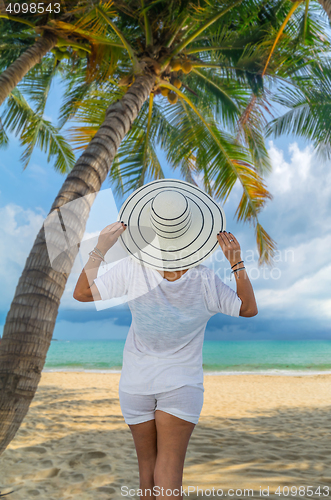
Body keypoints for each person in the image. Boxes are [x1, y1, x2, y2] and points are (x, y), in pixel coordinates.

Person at [73, 180, 258, 500]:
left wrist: (101, 248)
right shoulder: (203, 279)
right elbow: (248, 309)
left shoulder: (132, 269)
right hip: (182, 384)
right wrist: (236, 261)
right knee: (169, 473)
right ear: (192, 234)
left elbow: (82, 293)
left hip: (135, 383)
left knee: (147, 476)